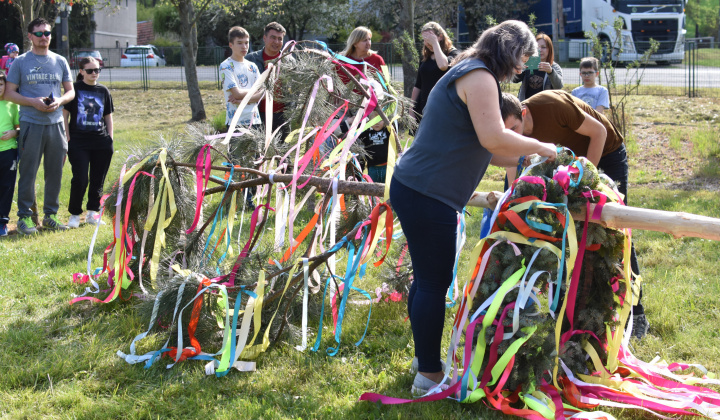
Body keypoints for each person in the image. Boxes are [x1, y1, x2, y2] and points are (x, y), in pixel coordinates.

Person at [390, 20, 558, 396]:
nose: (524, 66)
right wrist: (546, 148)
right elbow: (493, 136)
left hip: (416, 187)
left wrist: (528, 156)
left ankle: (424, 361)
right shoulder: (481, 77)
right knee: (434, 283)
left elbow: (489, 150)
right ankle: (430, 377)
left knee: (426, 280)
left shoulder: (470, 68)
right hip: (427, 193)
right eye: (523, 57)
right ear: (511, 50)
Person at [500, 90, 647, 339]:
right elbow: (513, 174)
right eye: (507, 133)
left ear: (523, 113)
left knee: (614, 228)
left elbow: (599, 132)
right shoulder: (511, 130)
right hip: (564, 168)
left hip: (604, 153)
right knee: (563, 229)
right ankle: (566, 309)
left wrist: (583, 183)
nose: (515, 136)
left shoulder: (552, 106)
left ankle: (636, 312)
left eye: (515, 128)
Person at [5, 17, 75, 234]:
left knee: (55, 172)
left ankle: (51, 216)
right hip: (30, 124)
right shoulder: (20, 62)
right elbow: (9, 92)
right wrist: (33, 102)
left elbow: (70, 91)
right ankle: (25, 217)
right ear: (29, 36)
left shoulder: (60, 61)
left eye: (47, 33)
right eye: (39, 33)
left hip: (56, 125)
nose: (44, 37)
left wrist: (60, 101)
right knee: (28, 172)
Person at [62, 57, 114, 228]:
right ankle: (75, 214)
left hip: (101, 142)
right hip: (78, 142)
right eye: (90, 70)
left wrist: (110, 138)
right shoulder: (74, 89)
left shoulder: (104, 91)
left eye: (97, 70)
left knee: (98, 179)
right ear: (81, 71)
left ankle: (93, 212)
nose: (94, 73)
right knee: (81, 178)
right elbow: (65, 114)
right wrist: (67, 136)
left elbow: (108, 116)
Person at [246, 22, 294, 138]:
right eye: (273, 38)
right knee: (258, 154)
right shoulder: (250, 60)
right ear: (264, 38)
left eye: (280, 39)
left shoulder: (290, 61)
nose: (276, 42)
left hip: (282, 117)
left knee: (282, 154)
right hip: (257, 116)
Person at [411, 22, 459, 125]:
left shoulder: (453, 54)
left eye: (430, 39)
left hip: (443, 108)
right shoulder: (425, 58)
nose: (427, 43)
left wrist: (435, 43)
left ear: (440, 37)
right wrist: (411, 109)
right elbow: (418, 85)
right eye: (425, 40)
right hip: (424, 107)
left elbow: (443, 66)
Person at [220, 26, 263, 131]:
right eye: (239, 43)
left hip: (255, 120)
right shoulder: (226, 65)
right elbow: (236, 94)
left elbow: (263, 93)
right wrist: (255, 90)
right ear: (231, 45)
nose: (244, 46)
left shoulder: (252, 66)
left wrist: (241, 101)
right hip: (236, 122)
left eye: (246, 42)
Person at [513, 33, 563, 101]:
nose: (540, 50)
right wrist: (519, 68)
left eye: (543, 47)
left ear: (549, 49)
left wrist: (551, 72)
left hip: (545, 106)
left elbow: (558, 86)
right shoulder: (528, 63)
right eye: (537, 47)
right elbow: (514, 80)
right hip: (526, 106)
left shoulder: (554, 67)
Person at [0, 71, 20, 237]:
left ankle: (2, 222)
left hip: (8, 152)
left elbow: (20, 128)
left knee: (6, 187)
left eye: (0, 84)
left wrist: (14, 133)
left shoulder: (12, 104)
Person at [358, 111, 390, 183]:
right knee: (373, 187)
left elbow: (394, 129)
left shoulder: (387, 131)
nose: (377, 123)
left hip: (386, 166)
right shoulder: (367, 132)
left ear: (384, 121)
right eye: (374, 120)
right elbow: (358, 133)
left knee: (385, 188)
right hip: (372, 167)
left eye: (379, 120)